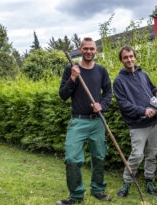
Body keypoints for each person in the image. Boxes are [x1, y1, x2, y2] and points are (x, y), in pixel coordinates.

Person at [57, 37, 112, 205]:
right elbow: (63, 95)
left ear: (96, 51)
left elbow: (108, 93)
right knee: (72, 159)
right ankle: (76, 195)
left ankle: (98, 189)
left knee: (99, 157)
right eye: (85, 48)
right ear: (80, 50)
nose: (89, 51)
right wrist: (73, 78)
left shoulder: (101, 71)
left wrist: (101, 105)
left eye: (92, 49)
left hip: (97, 122)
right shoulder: (71, 69)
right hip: (78, 121)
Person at [113, 45, 157, 198]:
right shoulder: (119, 81)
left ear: (135, 57)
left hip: (154, 121)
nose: (129, 59)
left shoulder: (143, 74)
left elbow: (152, 90)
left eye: (131, 56)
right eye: (125, 57)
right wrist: (143, 110)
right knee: (137, 155)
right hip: (138, 124)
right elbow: (123, 104)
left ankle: (149, 181)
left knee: (152, 154)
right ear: (121, 60)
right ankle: (126, 183)